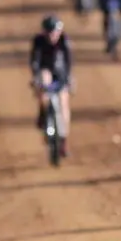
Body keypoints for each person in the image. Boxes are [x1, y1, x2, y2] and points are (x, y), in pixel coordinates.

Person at [30, 16, 73, 157]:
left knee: (64, 103)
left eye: (54, 32)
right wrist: (35, 78)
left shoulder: (64, 41)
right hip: (46, 73)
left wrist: (69, 80)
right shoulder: (38, 41)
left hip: (61, 75)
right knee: (43, 78)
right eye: (49, 32)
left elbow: (68, 63)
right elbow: (34, 61)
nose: (52, 35)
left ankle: (64, 141)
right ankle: (43, 112)